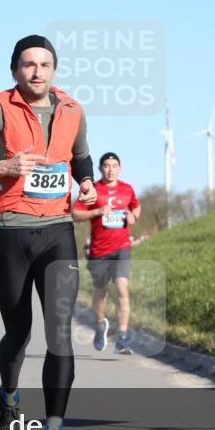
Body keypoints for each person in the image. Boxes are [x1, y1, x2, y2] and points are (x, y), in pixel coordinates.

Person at [0, 34, 96, 430]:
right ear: (15, 70)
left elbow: (81, 155)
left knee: (60, 334)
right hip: (11, 231)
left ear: (54, 70)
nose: (37, 72)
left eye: (45, 64)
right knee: (19, 333)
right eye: (28, 65)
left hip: (58, 231)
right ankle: (9, 397)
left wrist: (84, 181)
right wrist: (2, 165)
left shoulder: (73, 109)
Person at [72, 152, 140, 354]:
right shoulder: (93, 190)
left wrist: (133, 216)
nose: (110, 169)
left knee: (122, 290)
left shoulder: (127, 189)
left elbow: (136, 207)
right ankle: (100, 324)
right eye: (107, 166)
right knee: (100, 294)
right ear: (100, 169)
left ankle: (122, 337)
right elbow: (75, 214)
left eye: (114, 165)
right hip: (99, 250)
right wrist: (97, 212)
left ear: (120, 168)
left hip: (122, 248)